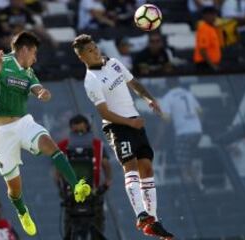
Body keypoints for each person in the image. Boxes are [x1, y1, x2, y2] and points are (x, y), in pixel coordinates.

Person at [0, 31, 91, 236]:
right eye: (34, 53)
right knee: (14, 188)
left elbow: (39, 89)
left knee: (51, 145)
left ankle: (76, 184)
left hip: (23, 122)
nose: (35, 58)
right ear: (24, 49)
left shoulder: (29, 72)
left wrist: (44, 93)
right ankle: (22, 211)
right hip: (0, 132)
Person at [72, 34, 174, 240]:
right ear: (82, 57)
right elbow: (104, 113)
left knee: (147, 167)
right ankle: (140, 214)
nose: (95, 51)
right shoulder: (90, 81)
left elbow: (133, 83)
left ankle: (153, 221)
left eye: (95, 47)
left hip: (135, 122)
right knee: (131, 166)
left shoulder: (114, 63)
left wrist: (149, 99)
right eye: (90, 50)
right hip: (118, 127)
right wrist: (130, 123)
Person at [54, 114, 112, 240]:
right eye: (76, 131)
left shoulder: (98, 145)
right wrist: (62, 189)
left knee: (97, 229)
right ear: (71, 129)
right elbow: (57, 170)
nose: (79, 134)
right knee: (70, 230)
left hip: (94, 195)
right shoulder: (63, 145)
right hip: (72, 197)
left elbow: (106, 164)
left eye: (82, 130)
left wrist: (107, 182)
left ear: (87, 128)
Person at [159, 80, 203, 188]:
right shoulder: (188, 94)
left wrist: (157, 139)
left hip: (184, 134)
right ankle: (199, 187)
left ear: (167, 85)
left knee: (183, 165)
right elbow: (200, 112)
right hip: (197, 131)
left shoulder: (168, 97)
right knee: (189, 162)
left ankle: (190, 192)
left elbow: (166, 121)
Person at [193, 6, 222, 72]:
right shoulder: (204, 29)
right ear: (205, 16)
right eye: (211, 14)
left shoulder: (212, 28)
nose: (214, 17)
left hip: (212, 63)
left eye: (215, 14)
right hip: (205, 65)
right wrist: (212, 66)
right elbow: (203, 50)